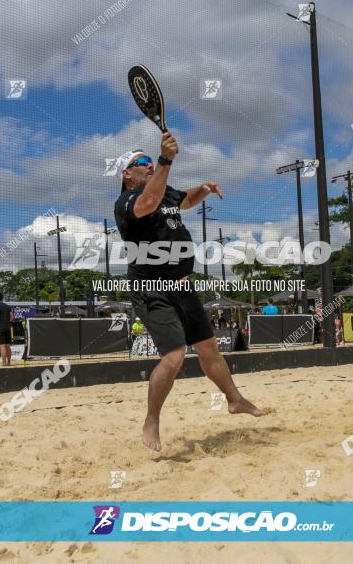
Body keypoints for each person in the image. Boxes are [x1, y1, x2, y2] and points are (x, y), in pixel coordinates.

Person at [113, 135, 263, 451]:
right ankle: (152, 419)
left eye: (151, 160)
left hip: (182, 285)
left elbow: (186, 200)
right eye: (142, 162)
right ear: (127, 174)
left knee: (209, 350)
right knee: (175, 355)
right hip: (150, 288)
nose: (149, 164)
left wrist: (205, 189)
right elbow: (149, 203)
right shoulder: (126, 202)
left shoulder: (165, 191)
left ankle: (234, 400)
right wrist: (166, 160)